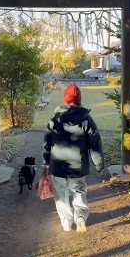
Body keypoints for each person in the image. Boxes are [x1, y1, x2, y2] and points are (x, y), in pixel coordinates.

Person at [42, 84, 104, 232]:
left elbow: (47, 142)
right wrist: (99, 163)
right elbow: (95, 142)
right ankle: (80, 216)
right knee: (78, 192)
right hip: (78, 166)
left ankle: (66, 222)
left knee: (61, 195)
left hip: (58, 166)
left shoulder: (55, 118)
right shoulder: (86, 119)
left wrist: (45, 162)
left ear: (66, 99)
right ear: (79, 100)